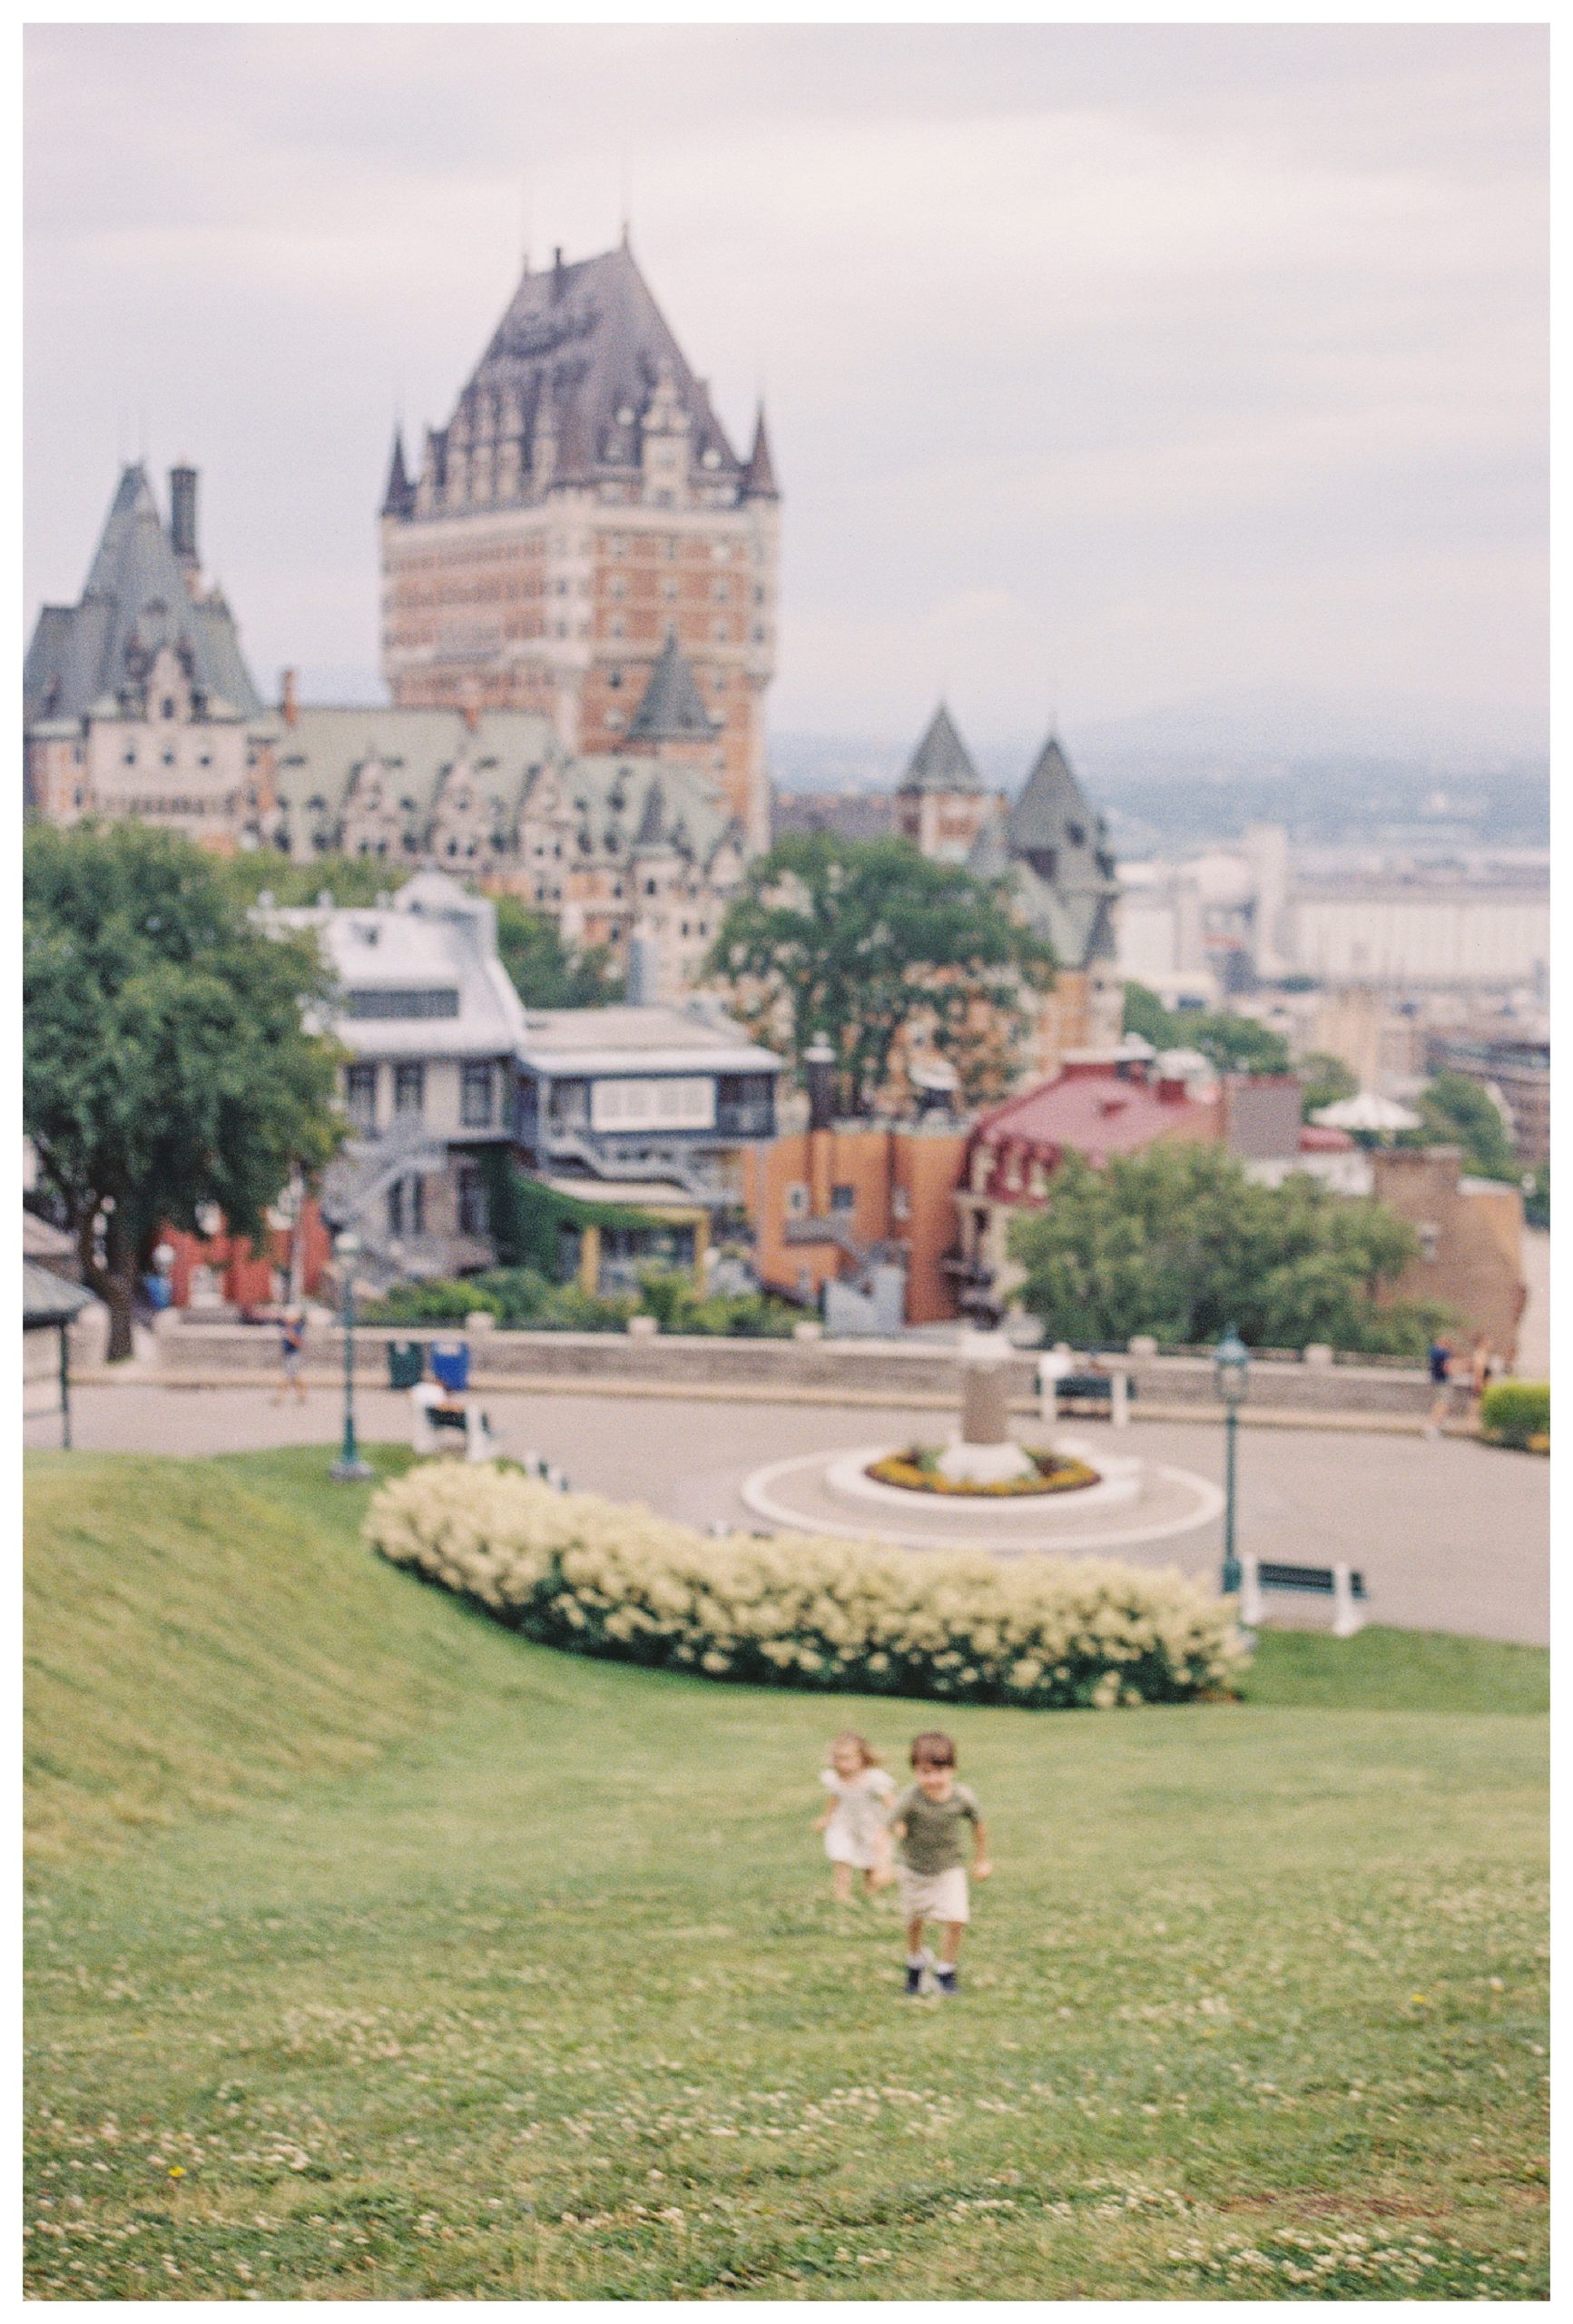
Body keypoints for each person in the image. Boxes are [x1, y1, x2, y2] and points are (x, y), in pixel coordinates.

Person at [888, 1730, 991, 1997]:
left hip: (949, 1869)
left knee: (956, 1919)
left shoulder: (962, 1797)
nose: (931, 1779)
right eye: (924, 1772)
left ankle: (946, 1970)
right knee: (914, 1920)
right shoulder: (910, 1798)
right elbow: (886, 1828)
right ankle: (915, 1964)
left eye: (939, 1771)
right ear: (914, 1771)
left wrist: (981, 1860)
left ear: (953, 1770)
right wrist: (881, 1863)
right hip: (913, 1869)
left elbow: (979, 1825)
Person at [812, 1732, 896, 1905]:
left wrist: (898, 1821)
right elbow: (834, 1798)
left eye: (845, 1758)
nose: (840, 1763)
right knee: (841, 1856)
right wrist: (826, 1818)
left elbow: (889, 1801)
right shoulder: (834, 1778)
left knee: (870, 1862)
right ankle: (842, 1895)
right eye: (836, 1758)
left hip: (870, 1825)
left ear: (862, 1758)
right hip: (843, 1824)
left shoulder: (873, 1779)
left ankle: (871, 1889)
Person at [273, 1307, 308, 1406]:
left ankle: (278, 1397)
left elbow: (299, 1343)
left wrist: (291, 1336)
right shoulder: (287, 1327)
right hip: (288, 1354)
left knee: (288, 1376)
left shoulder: (297, 1328)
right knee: (294, 1376)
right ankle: (303, 1395)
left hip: (294, 1355)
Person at [1425, 1335, 1453, 1440]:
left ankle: (1435, 1424)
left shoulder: (1433, 1352)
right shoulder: (1444, 1353)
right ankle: (1435, 1426)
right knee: (1442, 1404)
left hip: (1435, 1380)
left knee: (1437, 1403)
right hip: (1443, 1381)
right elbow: (1447, 1368)